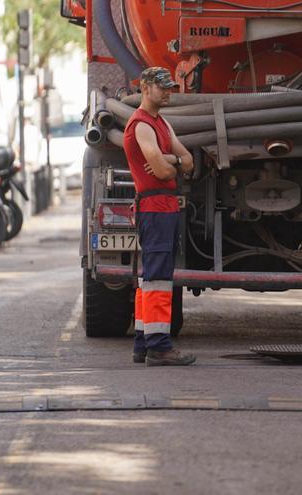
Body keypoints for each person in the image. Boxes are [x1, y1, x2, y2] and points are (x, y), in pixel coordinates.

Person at [123, 66, 196, 366]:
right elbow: (167, 171)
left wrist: (171, 160)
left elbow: (188, 161)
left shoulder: (162, 124)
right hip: (154, 209)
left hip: (163, 207)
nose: (167, 92)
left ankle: (143, 343)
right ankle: (159, 346)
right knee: (157, 279)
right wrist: (173, 163)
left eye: (169, 87)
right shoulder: (141, 125)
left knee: (150, 278)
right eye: (162, 87)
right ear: (145, 88)